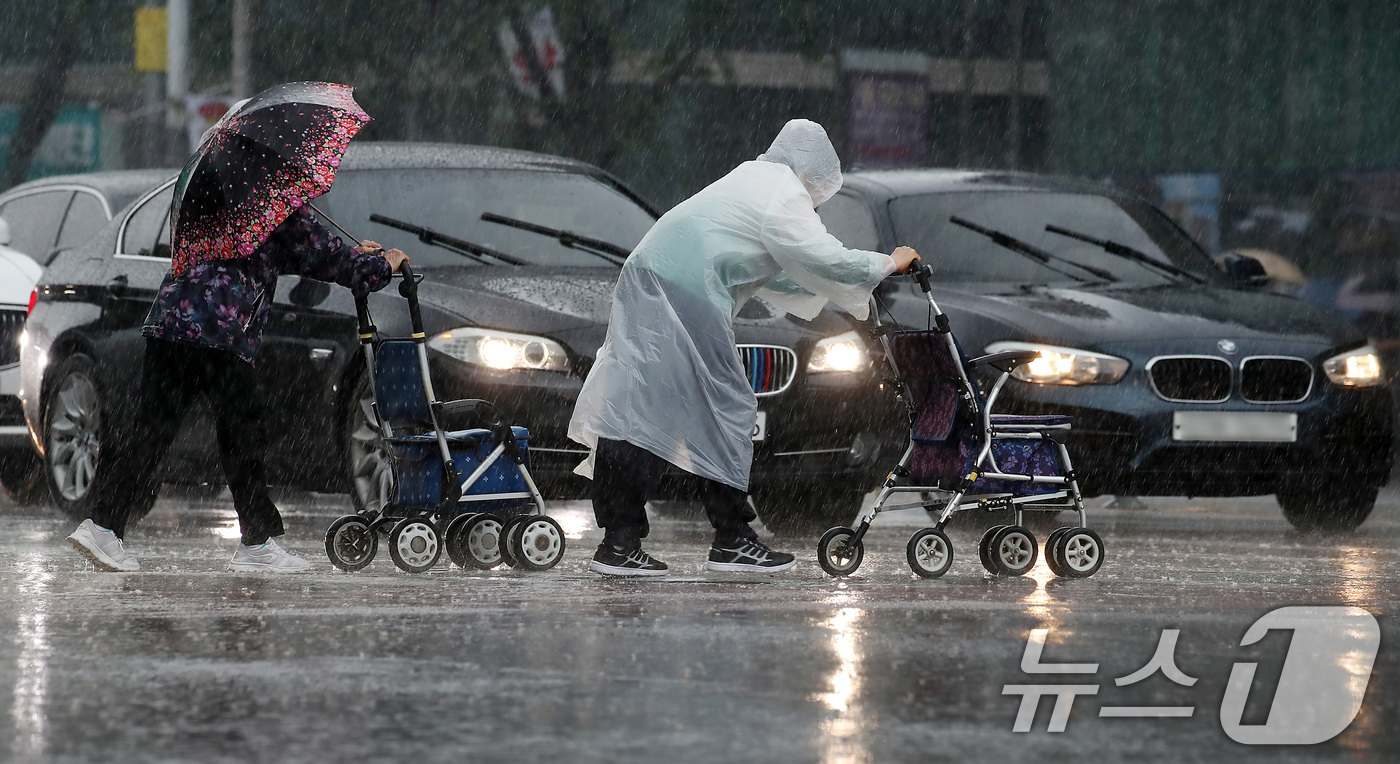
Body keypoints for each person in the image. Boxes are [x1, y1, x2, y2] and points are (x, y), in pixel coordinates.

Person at [568, 118, 921, 576]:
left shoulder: (751, 179)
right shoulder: (782, 191)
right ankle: (731, 540)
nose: (815, 197)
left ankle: (619, 542)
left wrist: (844, 287)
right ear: (812, 170)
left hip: (648, 275)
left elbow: (776, 270)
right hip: (684, 288)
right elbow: (821, 256)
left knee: (641, 405)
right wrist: (887, 263)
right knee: (727, 407)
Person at [65, 208, 408, 573]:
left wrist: (355, 255)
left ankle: (103, 525)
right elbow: (320, 251)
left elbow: (286, 254)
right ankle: (256, 542)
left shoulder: (224, 194)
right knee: (242, 435)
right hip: (219, 328)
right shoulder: (270, 199)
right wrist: (380, 266)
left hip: (173, 321)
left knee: (155, 430)